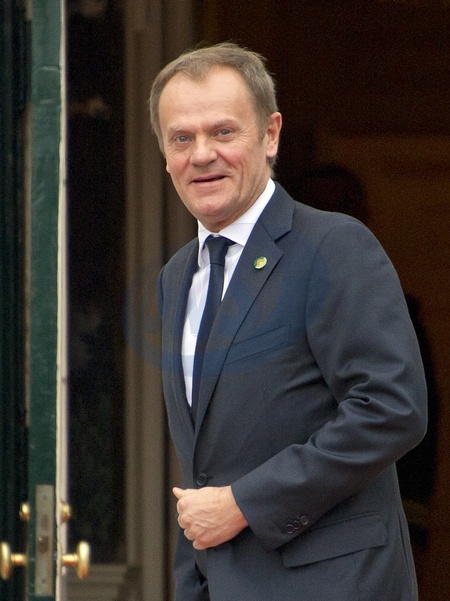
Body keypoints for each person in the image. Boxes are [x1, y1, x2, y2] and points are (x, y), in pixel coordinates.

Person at [149, 42, 427, 601]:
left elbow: (391, 408)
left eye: (223, 132)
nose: (201, 154)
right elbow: (205, 464)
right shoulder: (177, 277)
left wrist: (244, 503)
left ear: (270, 135)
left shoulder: (333, 246)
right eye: (181, 138)